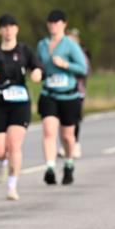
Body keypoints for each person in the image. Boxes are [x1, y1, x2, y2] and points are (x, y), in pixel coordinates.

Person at [0, 14, 43, 201]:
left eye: (11, 27)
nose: (8, 31)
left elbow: (37, 67)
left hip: (20, 103)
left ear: (17, 29)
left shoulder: (24, 50)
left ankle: (12, 186)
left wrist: (37, 74)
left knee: (14, 144)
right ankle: (2, 162)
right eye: (4, 27)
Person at [36, 10, 88, 184]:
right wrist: (37, 72)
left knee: (67, 135)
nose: (53, 25)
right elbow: (38, 65)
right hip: (49, 93)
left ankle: (68, 163)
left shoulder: (70, 45)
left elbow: (83, 68)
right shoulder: (42, 45)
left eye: (57, 22)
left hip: (69, 95)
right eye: (50, 22)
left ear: (64, 24)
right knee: (49, 130)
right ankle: (50, 167)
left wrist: (65, 64)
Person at [66, 27, 90, 159]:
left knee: (75, 118)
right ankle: (66, 144)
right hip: (62, 90)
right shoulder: (60, 52)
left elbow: (85, 70)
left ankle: (75, 144)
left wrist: (68, 67)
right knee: (63, 120)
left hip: (78, 90)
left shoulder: (81, 54)